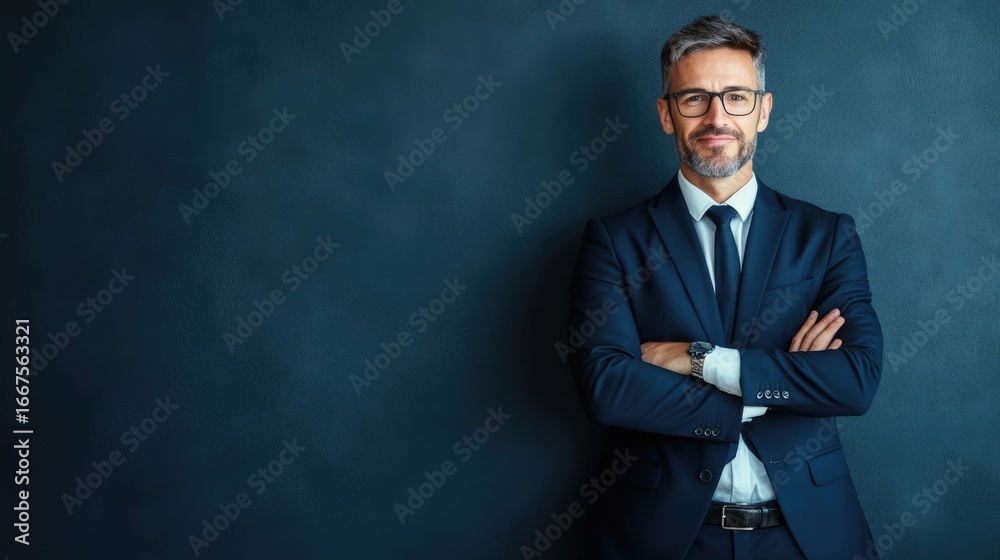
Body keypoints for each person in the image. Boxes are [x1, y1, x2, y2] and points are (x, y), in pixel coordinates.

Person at [566, 15, 883, 560]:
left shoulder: (826, 235)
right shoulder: (614, 240)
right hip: (663, 539)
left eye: (736, 96)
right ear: (666, 115)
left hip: (809, 536)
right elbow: (607, 386)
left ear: (763, 109)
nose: (717, 117)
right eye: (694, 99)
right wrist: (780, 382)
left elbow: (854, 381)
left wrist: (697, 360)